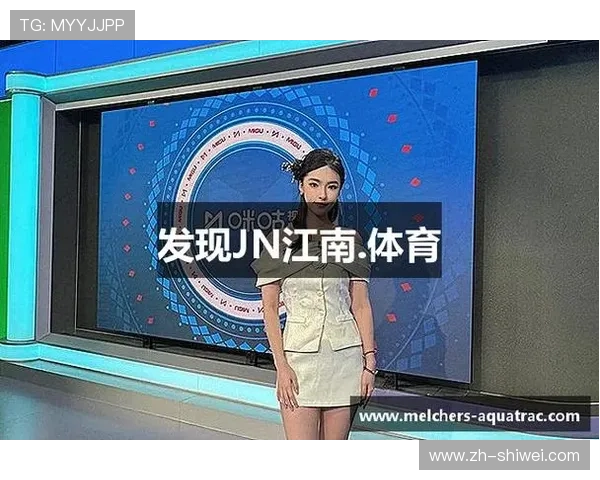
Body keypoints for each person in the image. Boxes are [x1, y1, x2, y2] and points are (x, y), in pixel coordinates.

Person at [251, 148, 377, 440]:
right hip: (299, 363)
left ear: (340, 190)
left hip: (345, 359)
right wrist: (281, 366)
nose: (322, 195)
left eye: (332, 186)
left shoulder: (350, 240)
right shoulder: (278, 242)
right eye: (314, 184)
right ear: (301, 185)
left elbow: (360, 305)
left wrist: (369, 363)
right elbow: (270, 309)